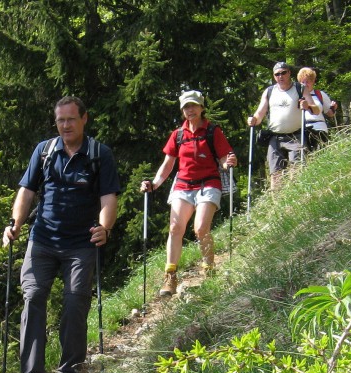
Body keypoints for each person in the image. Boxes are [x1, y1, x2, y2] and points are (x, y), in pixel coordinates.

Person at [2, 95, 120, 373]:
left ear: (84, 119)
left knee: (74, 302)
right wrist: (15, 223)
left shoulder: (99, 154)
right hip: (42, 240)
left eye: (70, 119)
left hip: (81, 243)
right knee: (33, 297)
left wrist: (104, 227)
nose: (65, 125)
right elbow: (27, 191)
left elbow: (109, 198)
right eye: (60, 120)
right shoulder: (44, 151)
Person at [140, 90, 238, 298]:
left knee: (201, 228)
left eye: (193, 105)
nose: (190, 110)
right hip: (183, 185)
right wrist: (154, 184)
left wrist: (228, 162)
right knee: (175, 227)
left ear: (202, 107)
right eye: (186, 106)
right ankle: (171, 275)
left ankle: (209, 268)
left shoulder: (212, 131)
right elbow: (168, 165)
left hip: (209, 183)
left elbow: (223, 159)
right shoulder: (178, 135)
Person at [247, 61, 321, 190]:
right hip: (275, 138)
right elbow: (260, 113)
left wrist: (307, 106)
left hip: (295, 136)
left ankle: (295, 199)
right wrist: (253, 120)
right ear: (274, 76)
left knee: (297, 170)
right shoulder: (269, 91)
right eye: (277, 74)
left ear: (289, 73)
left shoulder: (299, 88)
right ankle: (278, 206)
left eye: (283, 73)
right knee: (275, 174)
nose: (280, 76)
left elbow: (316, 110)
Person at [298, 67, 337, 152]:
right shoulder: (297, 96)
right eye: (302, 82)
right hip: (302, 130)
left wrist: (333, 108)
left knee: (321, 152)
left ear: (313, 81)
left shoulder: (320, 94)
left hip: (320, 128)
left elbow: (329, 113)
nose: (305, 84)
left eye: (307, 81)